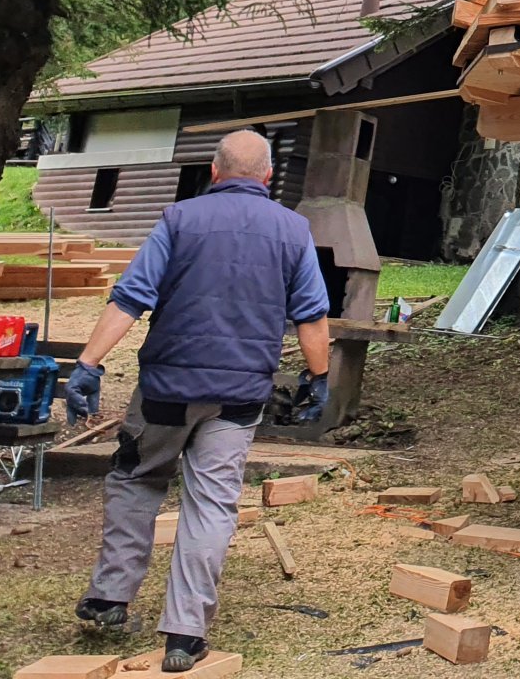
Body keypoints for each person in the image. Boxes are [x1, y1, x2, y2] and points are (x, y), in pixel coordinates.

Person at [66, 129, 331, 672]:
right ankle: (185, 635)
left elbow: (130, 297)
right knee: (211, 504)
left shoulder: (178, 219)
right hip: (238, 398)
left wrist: (89, 363)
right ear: (268, 176)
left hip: (165, 391)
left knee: (137, 479)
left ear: (214, 171)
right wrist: (318, 377)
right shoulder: (293, 230)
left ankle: (110, 598)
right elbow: (311, 314)